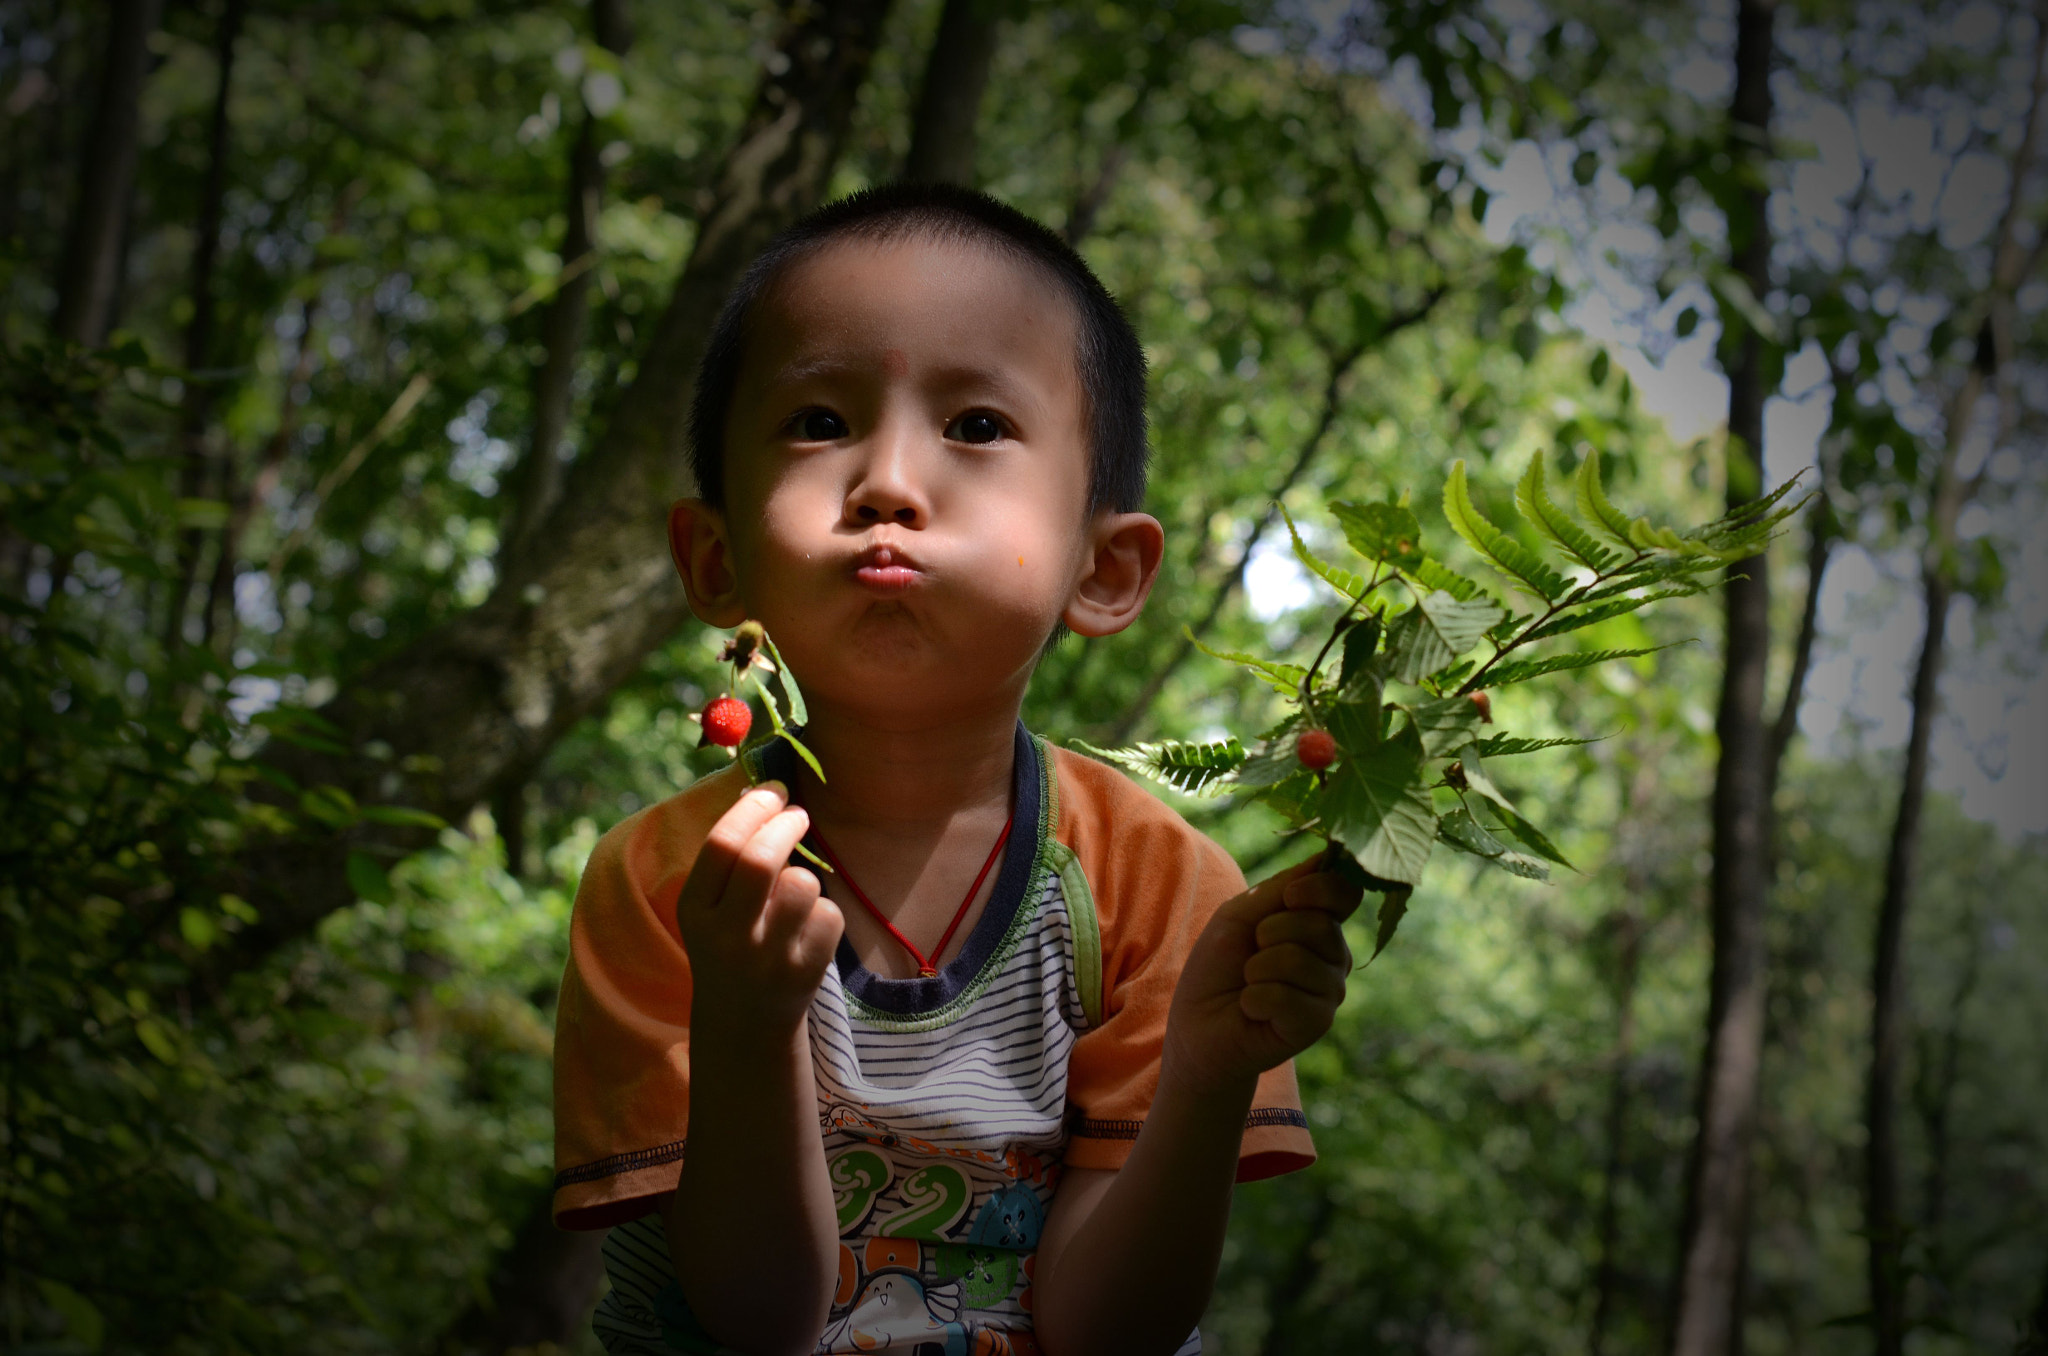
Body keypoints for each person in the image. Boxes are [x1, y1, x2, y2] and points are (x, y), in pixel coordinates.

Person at [550, 182, 1364, 1356]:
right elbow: (755, 1320)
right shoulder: (667, 884)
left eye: (975, 427)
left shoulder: (1156, 885)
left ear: (1106, 570)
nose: (886, 479)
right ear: (714, 556)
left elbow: (1108, 1327)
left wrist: (1201, 1072)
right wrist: (745, 1021)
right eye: (818, 421)